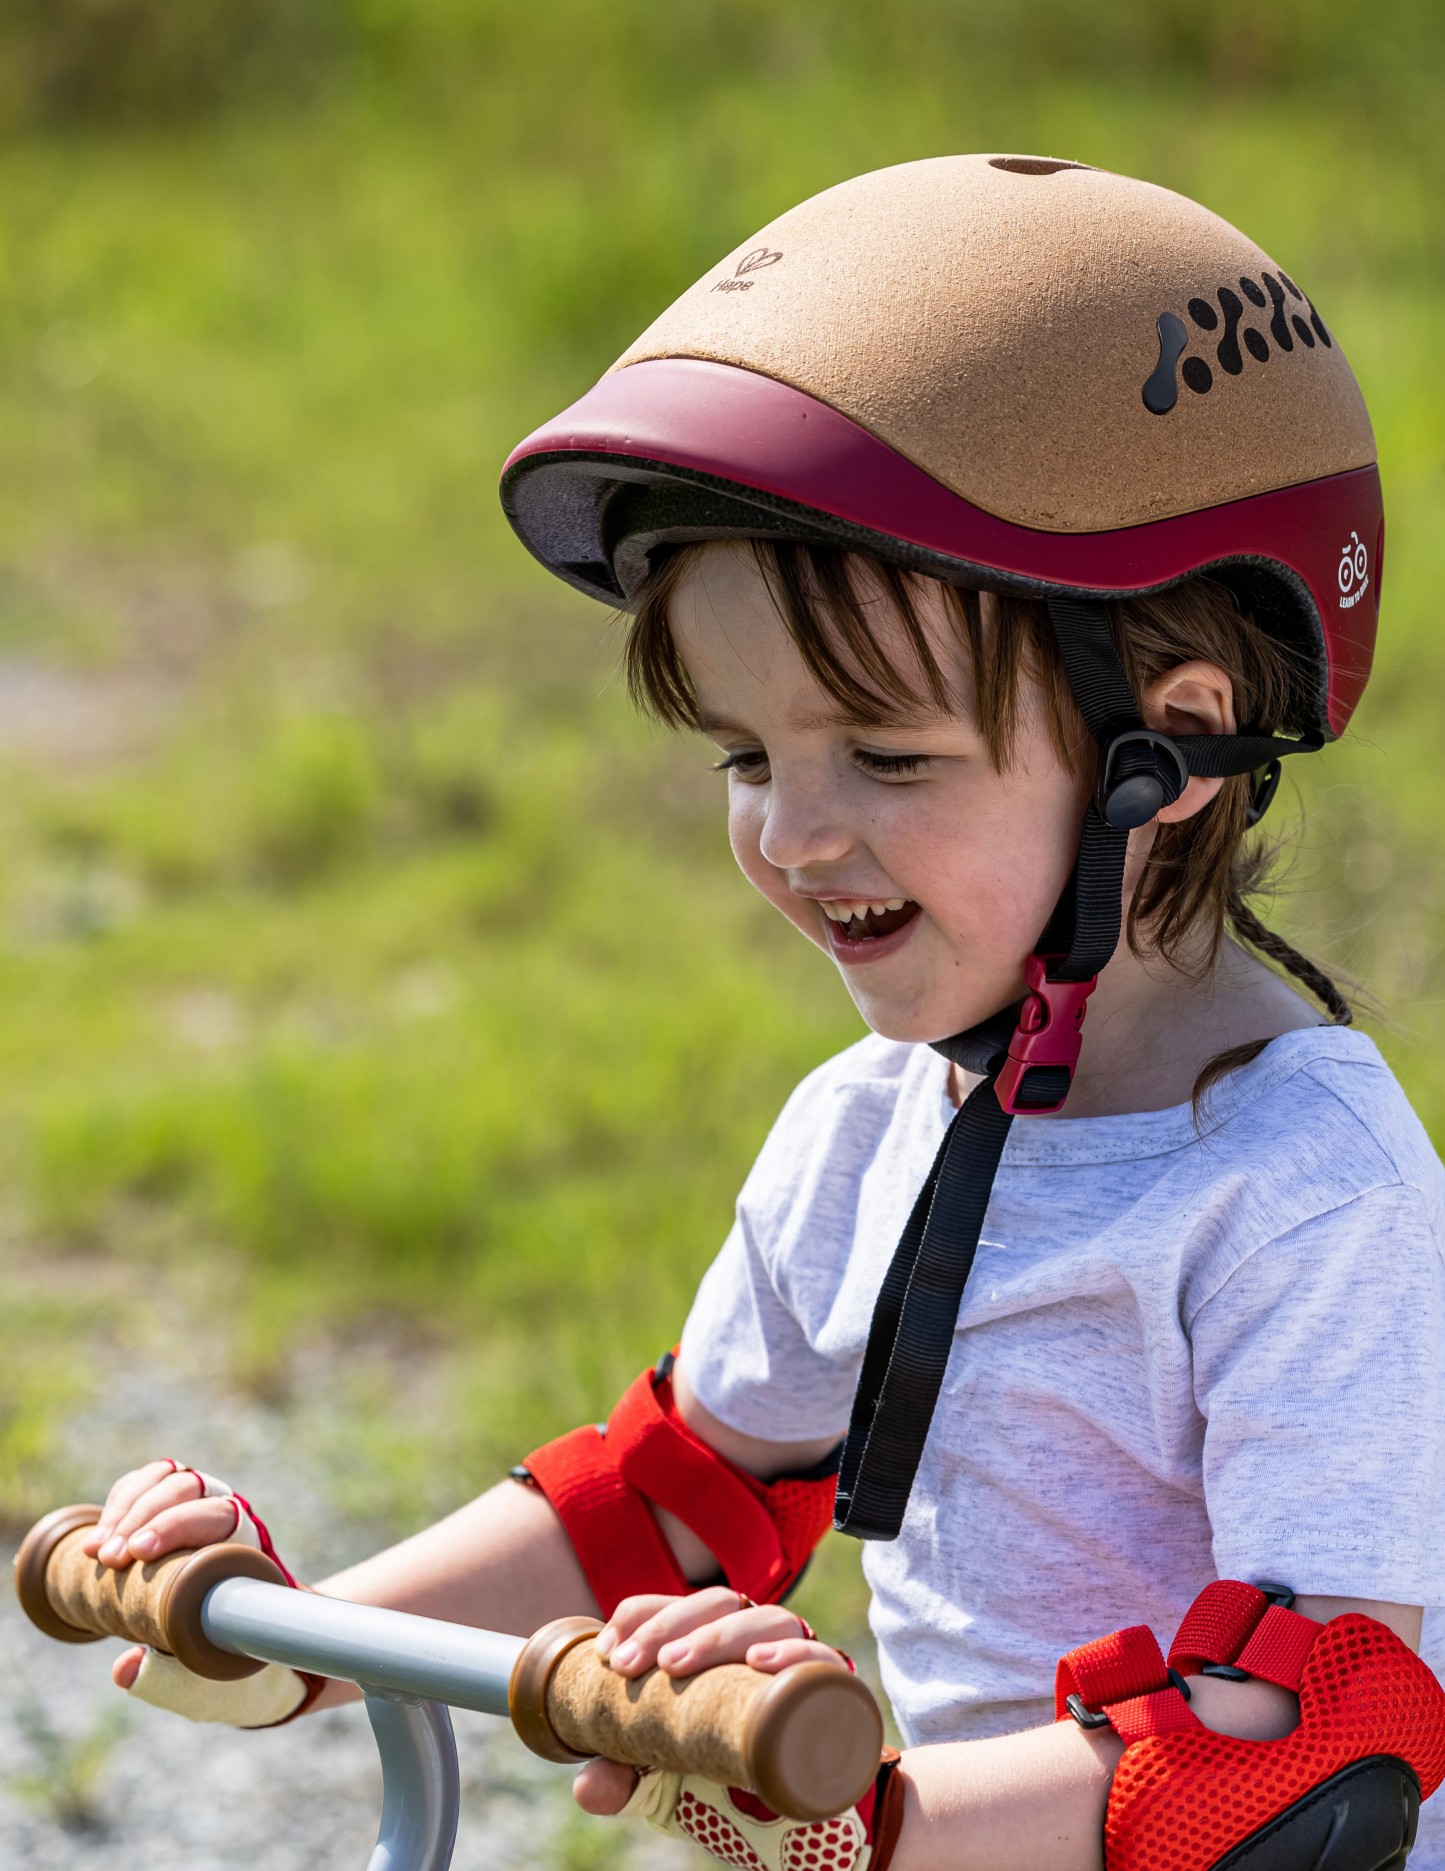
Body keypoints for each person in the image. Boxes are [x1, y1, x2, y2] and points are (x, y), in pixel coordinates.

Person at [84, 157, 1445, 1871]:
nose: (791, 834)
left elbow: (1319, 1742)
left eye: (885, 755)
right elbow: (674, 1502)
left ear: (1162, 754)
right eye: (745, 754)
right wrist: (289, 1645)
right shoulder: (868, 1124)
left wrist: (876, 1827)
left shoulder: (1303, 1197)